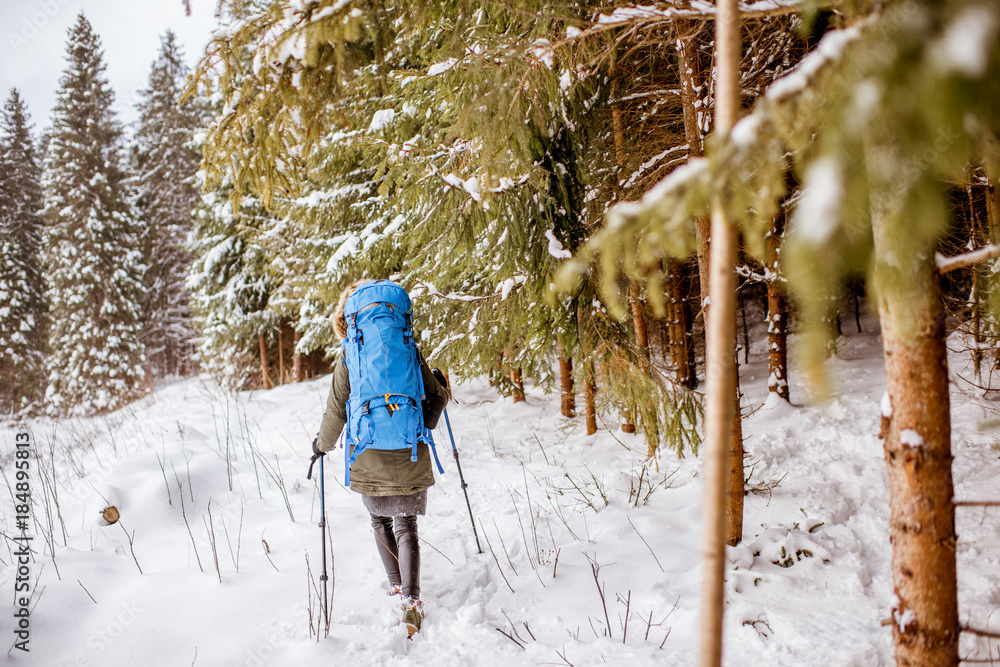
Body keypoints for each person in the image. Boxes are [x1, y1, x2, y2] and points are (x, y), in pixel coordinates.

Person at [312, 279, 449, 635]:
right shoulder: (407, 347)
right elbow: (438, 397)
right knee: (407, 525)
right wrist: (425, 422)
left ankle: (396, 585)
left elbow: (335, 413)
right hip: (408, 448)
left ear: (348, 321)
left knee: (380, 522)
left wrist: (320, 446)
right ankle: (412, 603)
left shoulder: (349, 354)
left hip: (368, 451)